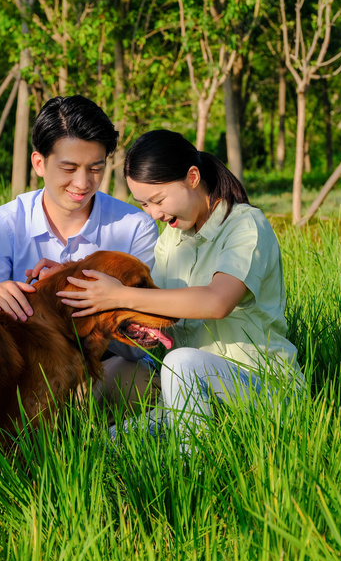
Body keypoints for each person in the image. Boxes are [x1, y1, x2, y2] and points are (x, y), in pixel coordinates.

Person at [56, 130, 303, 441]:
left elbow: (216, 302)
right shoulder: (173, 239)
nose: (155, 214)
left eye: (158, 200)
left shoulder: (245, 225)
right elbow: (153, 308)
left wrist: (118, 294)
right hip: (192, 396)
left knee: (180, 362)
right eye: (144, 204)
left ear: (193, 177)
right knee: (107, 444)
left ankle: (194, 468)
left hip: (263, 390)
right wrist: (70, 276)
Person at [0, 95, 159, 407]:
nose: (82, 183)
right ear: (39, 163)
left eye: (95, 168)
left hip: (104, 370)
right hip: (22, 378)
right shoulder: (6, 223)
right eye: (69, 167)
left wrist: (82, 296)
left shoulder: (134, 226)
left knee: (142, 382)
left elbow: (142, 346)